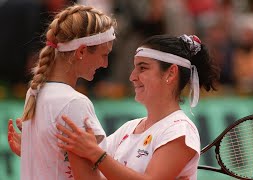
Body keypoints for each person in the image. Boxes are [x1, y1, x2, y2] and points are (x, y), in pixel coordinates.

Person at [9, 34, 220, 179]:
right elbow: (92, 176)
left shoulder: (180, 131)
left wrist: (97, 155)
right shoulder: (129, 129)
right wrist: (41, 150)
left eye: (142, 68)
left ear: (171, 73)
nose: (132, 76)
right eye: (134, 68)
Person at [8, 4, 116, 180]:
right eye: (105, 55)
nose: (105, 64)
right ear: (81, 51)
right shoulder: (74, 103)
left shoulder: (35, 92)